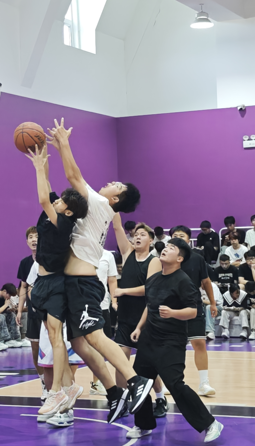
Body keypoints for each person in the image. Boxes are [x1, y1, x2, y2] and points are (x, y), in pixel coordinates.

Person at [48, 118, 154, 423]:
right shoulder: (100, 206)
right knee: (79, 342)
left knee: (94, 336)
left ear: (115, 197)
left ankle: (135, 381)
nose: (109, 182)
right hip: (74, 283)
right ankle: (113, 393)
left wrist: (63, 143)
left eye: (115, 185)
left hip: (83, 283)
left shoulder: (97, 202)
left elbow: (73, 175)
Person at [128, 239, 224, 442]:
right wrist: (139, 327)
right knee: (140, 384)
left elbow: (193, 311)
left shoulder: (183, 281)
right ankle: (143, 425)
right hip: (148, 340)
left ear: (180, 258)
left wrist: (173, 313)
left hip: (171, 342)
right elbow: (150, 306)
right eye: (166, 247)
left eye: (171, 248)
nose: (165, 249)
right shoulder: (154, 279)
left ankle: (210, 423)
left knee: (175, 385)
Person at [23, 144, 89, 423]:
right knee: (52, 338)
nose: (57, 201)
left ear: (69, 212)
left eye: (62, 202)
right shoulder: (57, 211)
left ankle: (57, 391)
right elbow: (48, 188)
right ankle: (69, 387)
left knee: (55, 336)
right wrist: (42, 159)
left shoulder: (63, 223)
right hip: (42, 282)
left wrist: (37, 168)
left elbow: (42, 198)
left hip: (55, 284)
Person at [111, 217, 160, 392]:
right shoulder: (127, 253)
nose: (137, 237)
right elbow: (117, 227)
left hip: (144, 317)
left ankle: (159, 396)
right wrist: (114, 206)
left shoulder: (154, 261)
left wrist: (123, 291)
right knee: (120, 360)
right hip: (125, 316)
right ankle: (122, 397)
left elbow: (149, 288)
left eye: (142, 234)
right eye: (136, 234)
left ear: (151, 240)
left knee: (147, 363)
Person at [169, 225, 218, 397]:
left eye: (181, 236)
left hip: (193, 306)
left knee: (199, 343)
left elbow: (206, 282)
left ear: (189, 240)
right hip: (171, 307)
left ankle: (204, 383)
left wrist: (213, 303)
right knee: (173, 346)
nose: (178, 238)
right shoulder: (164, 259)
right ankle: (172, 382)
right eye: (175, 236)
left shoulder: (197, 258)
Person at [17, 227, 43, 388]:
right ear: (27, 242)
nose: (34, 240)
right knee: (35, 348)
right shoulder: (25, 263)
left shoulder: (48, 259)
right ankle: (43, 380)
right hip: (33, 312)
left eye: (37, 236)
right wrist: (20, 310)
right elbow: (23, 287)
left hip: (49, 311)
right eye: (31, 237)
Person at [90, 249, 119, 396]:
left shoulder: (108, 256)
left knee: (100, 346)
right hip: (82, 306)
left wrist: (114, 301)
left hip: (102, 306)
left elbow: (112, 280)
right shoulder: (78, 251)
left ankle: (96, 383)